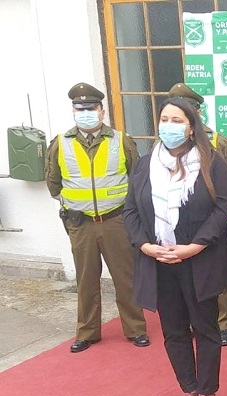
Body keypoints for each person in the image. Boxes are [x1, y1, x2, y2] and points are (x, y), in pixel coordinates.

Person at [123, 97, 227, 396]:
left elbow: (222, 210)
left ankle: (206, 395)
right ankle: (188, 390)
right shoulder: (145, 164)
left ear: (190, 127)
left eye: (177, 120)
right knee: (173, 331)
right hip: (158, 261)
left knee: (205, 329)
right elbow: (131, 209)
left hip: (198, 261)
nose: (169, 126)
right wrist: (145, 245)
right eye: (164, 119)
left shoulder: (212, 163)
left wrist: (193, 247)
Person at [44, 82, 149, 353]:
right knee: (86, 279)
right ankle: (87, 332)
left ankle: (136, 328)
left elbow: (136, 178)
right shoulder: (60, 143)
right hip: (81, 223)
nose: (86, 113)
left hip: (116, 220)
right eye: (80, 109)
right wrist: (71, 207)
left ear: (102, 111)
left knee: (125, 277)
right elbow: (53, 183)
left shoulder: (120, 140)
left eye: (91, 108)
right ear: (73, 111)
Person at [168, 82, 227, 346]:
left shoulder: (219, 143)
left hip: (211, 220)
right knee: (185, 277)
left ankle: (223, 323)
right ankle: (191, 320)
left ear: (197, 113)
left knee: (215, 273)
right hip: (177, 222)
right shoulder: (165, 147)